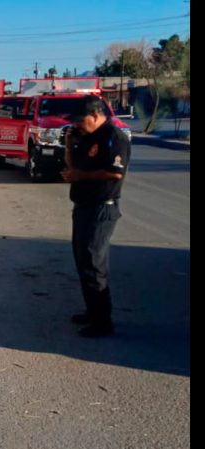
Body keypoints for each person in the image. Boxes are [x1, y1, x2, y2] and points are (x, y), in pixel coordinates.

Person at [61, 95, 131, 337]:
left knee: (94, 263)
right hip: (82, 206)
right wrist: (70, 146)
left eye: (81, 121)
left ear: (95, 115)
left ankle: (103, 322)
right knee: (82, 261)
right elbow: (72, 167)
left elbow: (115, 174)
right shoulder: (85, 136)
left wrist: (81, 177)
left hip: (102, 208)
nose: (78, 125)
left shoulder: (114, 137)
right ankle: (92, 311)